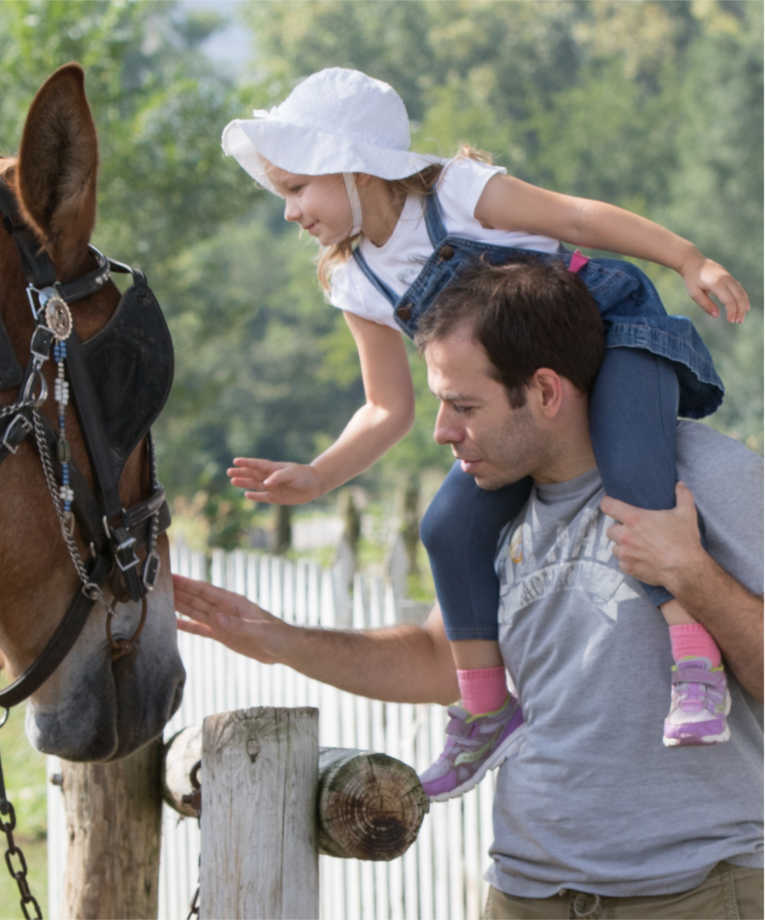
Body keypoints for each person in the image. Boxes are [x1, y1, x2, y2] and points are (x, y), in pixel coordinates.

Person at [219, 67, 751, 797]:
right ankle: (484, 710)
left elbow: (578, 219)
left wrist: (686, 257)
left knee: (633, 478)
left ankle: (694, 663)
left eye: (294, 189)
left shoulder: (456, 195)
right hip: (523, 396)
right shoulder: (355, 280)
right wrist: (320, 474)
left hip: (611, 330)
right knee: (445, 529)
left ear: (352, 166)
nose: (287, 213)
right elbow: (387, 407)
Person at [175, 257, 763, 918]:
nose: (440, 431)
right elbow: (438, 662)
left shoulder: (713, 480)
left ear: (544, 392)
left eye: (463, 406)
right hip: (523, 890)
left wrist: (690, 573)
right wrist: (277, 640)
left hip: (695, 893)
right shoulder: (490, 509)